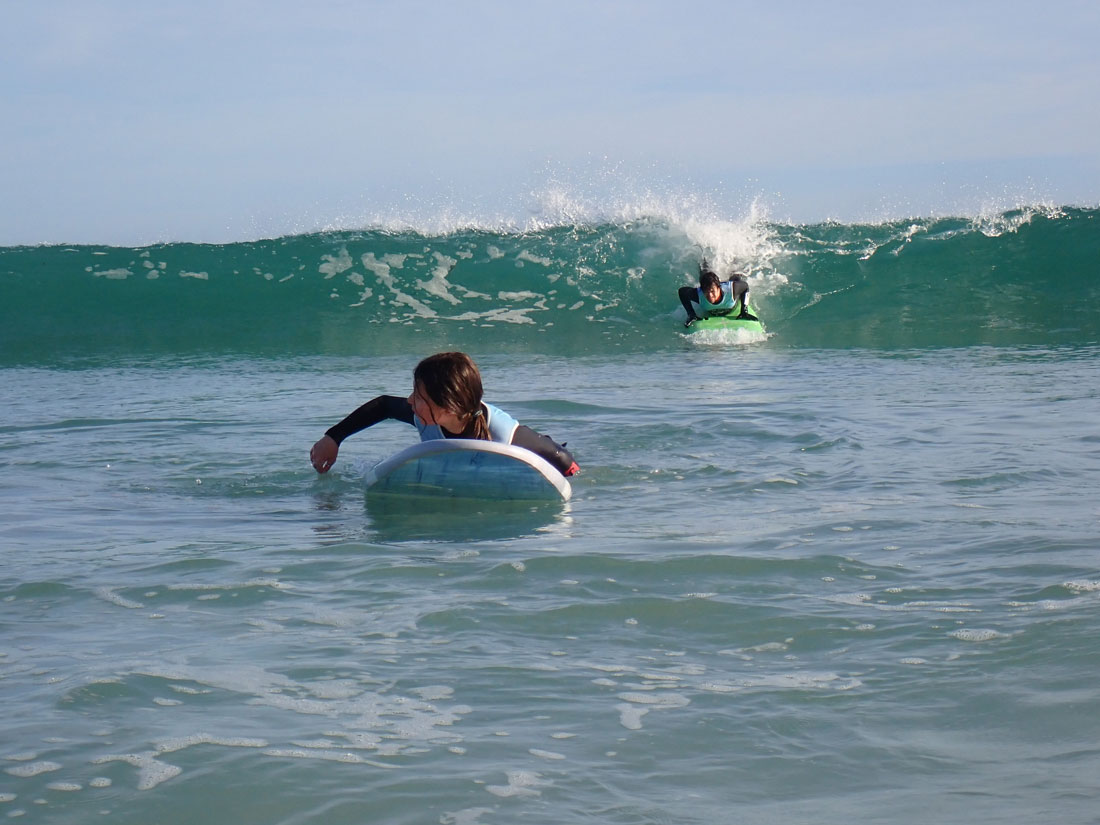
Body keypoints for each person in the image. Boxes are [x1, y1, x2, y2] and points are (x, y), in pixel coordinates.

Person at [310, 351, 579, 477]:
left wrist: (571, 475)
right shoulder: (425, 415)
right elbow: (383, 405)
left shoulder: (505, 438)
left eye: (419, 396)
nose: (409, 400)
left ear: (447, 408)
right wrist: (333, 438)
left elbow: (557, 456)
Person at [679, 260, 758, 328]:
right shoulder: (699, 294)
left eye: (712, 291)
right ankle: (702, 256)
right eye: (706, 292)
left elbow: (745, 286)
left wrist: (744, 310)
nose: (710, 295)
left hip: (731, 288)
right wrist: (691, 314)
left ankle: (734, 259)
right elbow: (682, 292)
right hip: (712, 286)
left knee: (735, 276)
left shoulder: (732, 290)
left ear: (719, 287)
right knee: (704, 274)